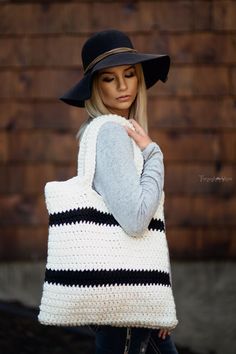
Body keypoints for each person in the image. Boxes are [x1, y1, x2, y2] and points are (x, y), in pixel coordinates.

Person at [60, 29, 178, 354]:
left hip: (130, 295)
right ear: (95, 87)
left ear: (139, 78)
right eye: (109, 79)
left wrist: (158, 300)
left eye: (129, 74)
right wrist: (154, 154)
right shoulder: (111, 133)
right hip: (124, 299)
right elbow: (137, 220)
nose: (123, 85)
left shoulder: (117, 132)